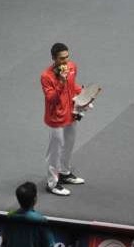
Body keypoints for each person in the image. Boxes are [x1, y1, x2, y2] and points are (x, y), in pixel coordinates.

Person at [41, 43, 85, 196]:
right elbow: (51, 98)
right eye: (61, 59)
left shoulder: (72, 67)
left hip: (71, 113)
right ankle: (52, 183)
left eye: (67, 57)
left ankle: (65, 173)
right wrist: (60, 81)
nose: (65, 61)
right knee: (55, 151)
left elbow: (73, 87)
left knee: (69, 145)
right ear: (54, 58)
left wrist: (84, 94)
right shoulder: (46, 76)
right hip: (55, 118)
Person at [2, 182, 55, 247]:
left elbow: (4, 240)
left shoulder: (10, 216)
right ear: (35, 199)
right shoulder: (41, 220)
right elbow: (50, 244)